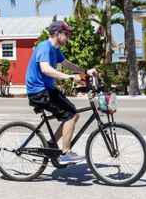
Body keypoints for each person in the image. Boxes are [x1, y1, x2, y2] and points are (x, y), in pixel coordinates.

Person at [25, 20, 97, 165]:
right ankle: (65, 153)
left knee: (74, 114)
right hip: (38, 92)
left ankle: (51, 143)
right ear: (57, 34)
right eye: (66, 34)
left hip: (47, 90)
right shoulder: (44, 47)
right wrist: (68, 77)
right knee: (70, 116)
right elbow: (45, 69)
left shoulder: (55, 49)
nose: (68, 37)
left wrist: (85, 71)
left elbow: (66, 64)